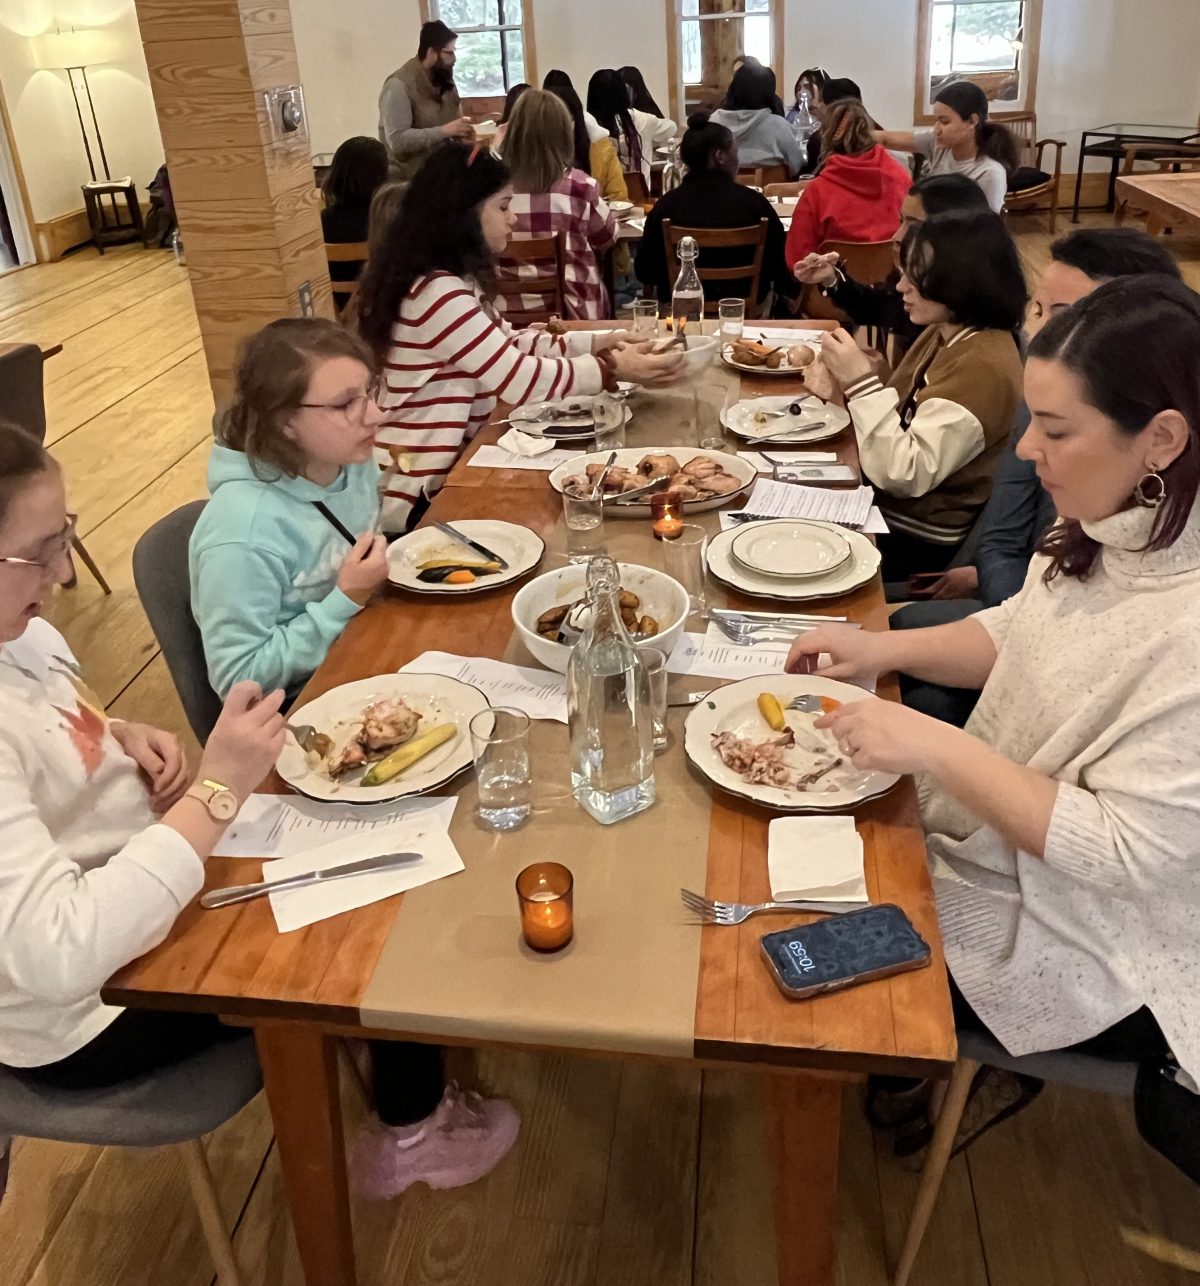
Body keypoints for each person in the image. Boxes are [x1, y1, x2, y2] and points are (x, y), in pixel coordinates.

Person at [786, 276, 1200, 1143]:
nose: (1025, 454)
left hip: (1094, 940)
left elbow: (1129, 856)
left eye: (1052, 431)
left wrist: (934, 746)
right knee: (794, 852)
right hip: (993, 845)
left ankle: (927, 1069)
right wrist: (882, 648)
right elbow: (1027, 629)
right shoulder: (1117, 522)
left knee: (788, 965)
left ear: (1161, 438)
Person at [891, 228, 1185, 727]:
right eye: (1039, 311)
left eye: (1067, 316)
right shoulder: (1051, 390)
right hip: (1017, 598)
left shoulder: (1172, 597)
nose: (1040, 335)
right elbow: (1014, 551)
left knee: (913, 689)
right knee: (891, 642)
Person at [356, 142, 682, 532]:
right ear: (464, 215)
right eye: (503, 206)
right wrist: (612, 367)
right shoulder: (438, 294)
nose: (514, 219)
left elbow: (513, 344)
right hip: (416, 493)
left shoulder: (449, 282)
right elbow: (518, 379)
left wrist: (604, 341)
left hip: (446, 468)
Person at [804, 210, 1026, 579]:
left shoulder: (982, 366)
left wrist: (859, 384)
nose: (901, 286)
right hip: (889, 509)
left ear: (961, 280)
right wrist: (844, 391)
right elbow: (903, 415)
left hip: (914, 538)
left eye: (916, 277)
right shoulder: (951, 329)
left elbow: (904, 474)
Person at [190, 320, 389, 702]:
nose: (375, 414)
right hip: (303, 704)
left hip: (364, 649)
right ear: (285, 423)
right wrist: (344, 600)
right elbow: (237, 679)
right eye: (346, 403)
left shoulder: (350, 461)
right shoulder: (243, 531)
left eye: (369, 391)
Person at [792, 172, 991, 358]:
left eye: (913, 225)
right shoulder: (933, 288)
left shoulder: (973, 340)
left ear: (952, 234)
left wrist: (861, 380)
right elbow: (879, 307)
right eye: (901, 221)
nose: (896, 236)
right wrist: (832, 278)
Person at [635, 111, 802, 314]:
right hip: (744, 308)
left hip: (682, 310)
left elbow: (645, 271)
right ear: (720, 156)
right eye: (735, 150)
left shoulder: (665, 207)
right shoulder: (755, 205)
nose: (738, 158)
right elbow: (779, 266)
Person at [498, 89, 616, 321]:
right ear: (564, 134)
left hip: (507, 315)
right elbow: (606, 237)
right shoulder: (580, 187)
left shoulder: (493, 192)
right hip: (574, 313)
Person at [783, 100, 912, 263]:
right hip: (895, 282)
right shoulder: (902, 178)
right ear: (871, 132)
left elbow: (796, 258)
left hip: (832, 284)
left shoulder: (817, 191)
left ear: (826, 136)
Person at [875, 81, 1017, 213]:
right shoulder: (938, 142)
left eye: (945, 121)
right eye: (936, 120)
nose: (937, 130)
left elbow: (985, 230)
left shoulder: (989, 173)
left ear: (972, 121)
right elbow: (886, 139)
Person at [378, 20, 473, 180]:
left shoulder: (444, 78)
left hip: (441, 175)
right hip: (407, 181)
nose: (454, 59)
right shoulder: (398, 85)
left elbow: (455, 121)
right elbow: (398, 141)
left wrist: (463, 136)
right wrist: (445, 131)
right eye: (448, 53)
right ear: (431, 53)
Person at [711, 61, 804, 177]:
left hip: (722, 193)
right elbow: (797, 167)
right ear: (769, 94)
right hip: (770, 194)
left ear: (733, 89)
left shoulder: (713, 124)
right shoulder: (780, 126)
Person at [321, 136, 390, 287]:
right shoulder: (391, 222)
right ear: (383, 175)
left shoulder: (322, 223)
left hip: (337, 306)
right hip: (382, 304)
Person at [587, 68, 676, 184]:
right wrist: (650, 141)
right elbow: (672, 128)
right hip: (639, 195)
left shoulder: (587, 124)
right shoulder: (643, 120)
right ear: (624, 93)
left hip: (600, 197)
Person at [788, 66, 828, 173]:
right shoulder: (793, 117)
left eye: (807, 87)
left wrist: (817, 104)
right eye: (799, 88)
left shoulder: (829, 118)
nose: (802, 92)